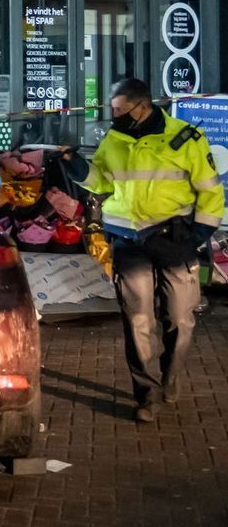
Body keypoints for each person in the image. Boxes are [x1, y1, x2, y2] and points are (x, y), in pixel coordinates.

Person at [62, 77, 224, 422]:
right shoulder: (114, 139)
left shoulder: (185, 138)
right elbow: (102, 182)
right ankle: (147, 395)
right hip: (127, 238)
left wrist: (199, 233)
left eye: (120, 109)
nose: (114, 115)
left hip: (173, 237)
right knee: (137, 319)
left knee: (180, 319)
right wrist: (75, 166)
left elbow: (210, 190)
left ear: (143, 106)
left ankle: (170, 376)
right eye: (112, 109)